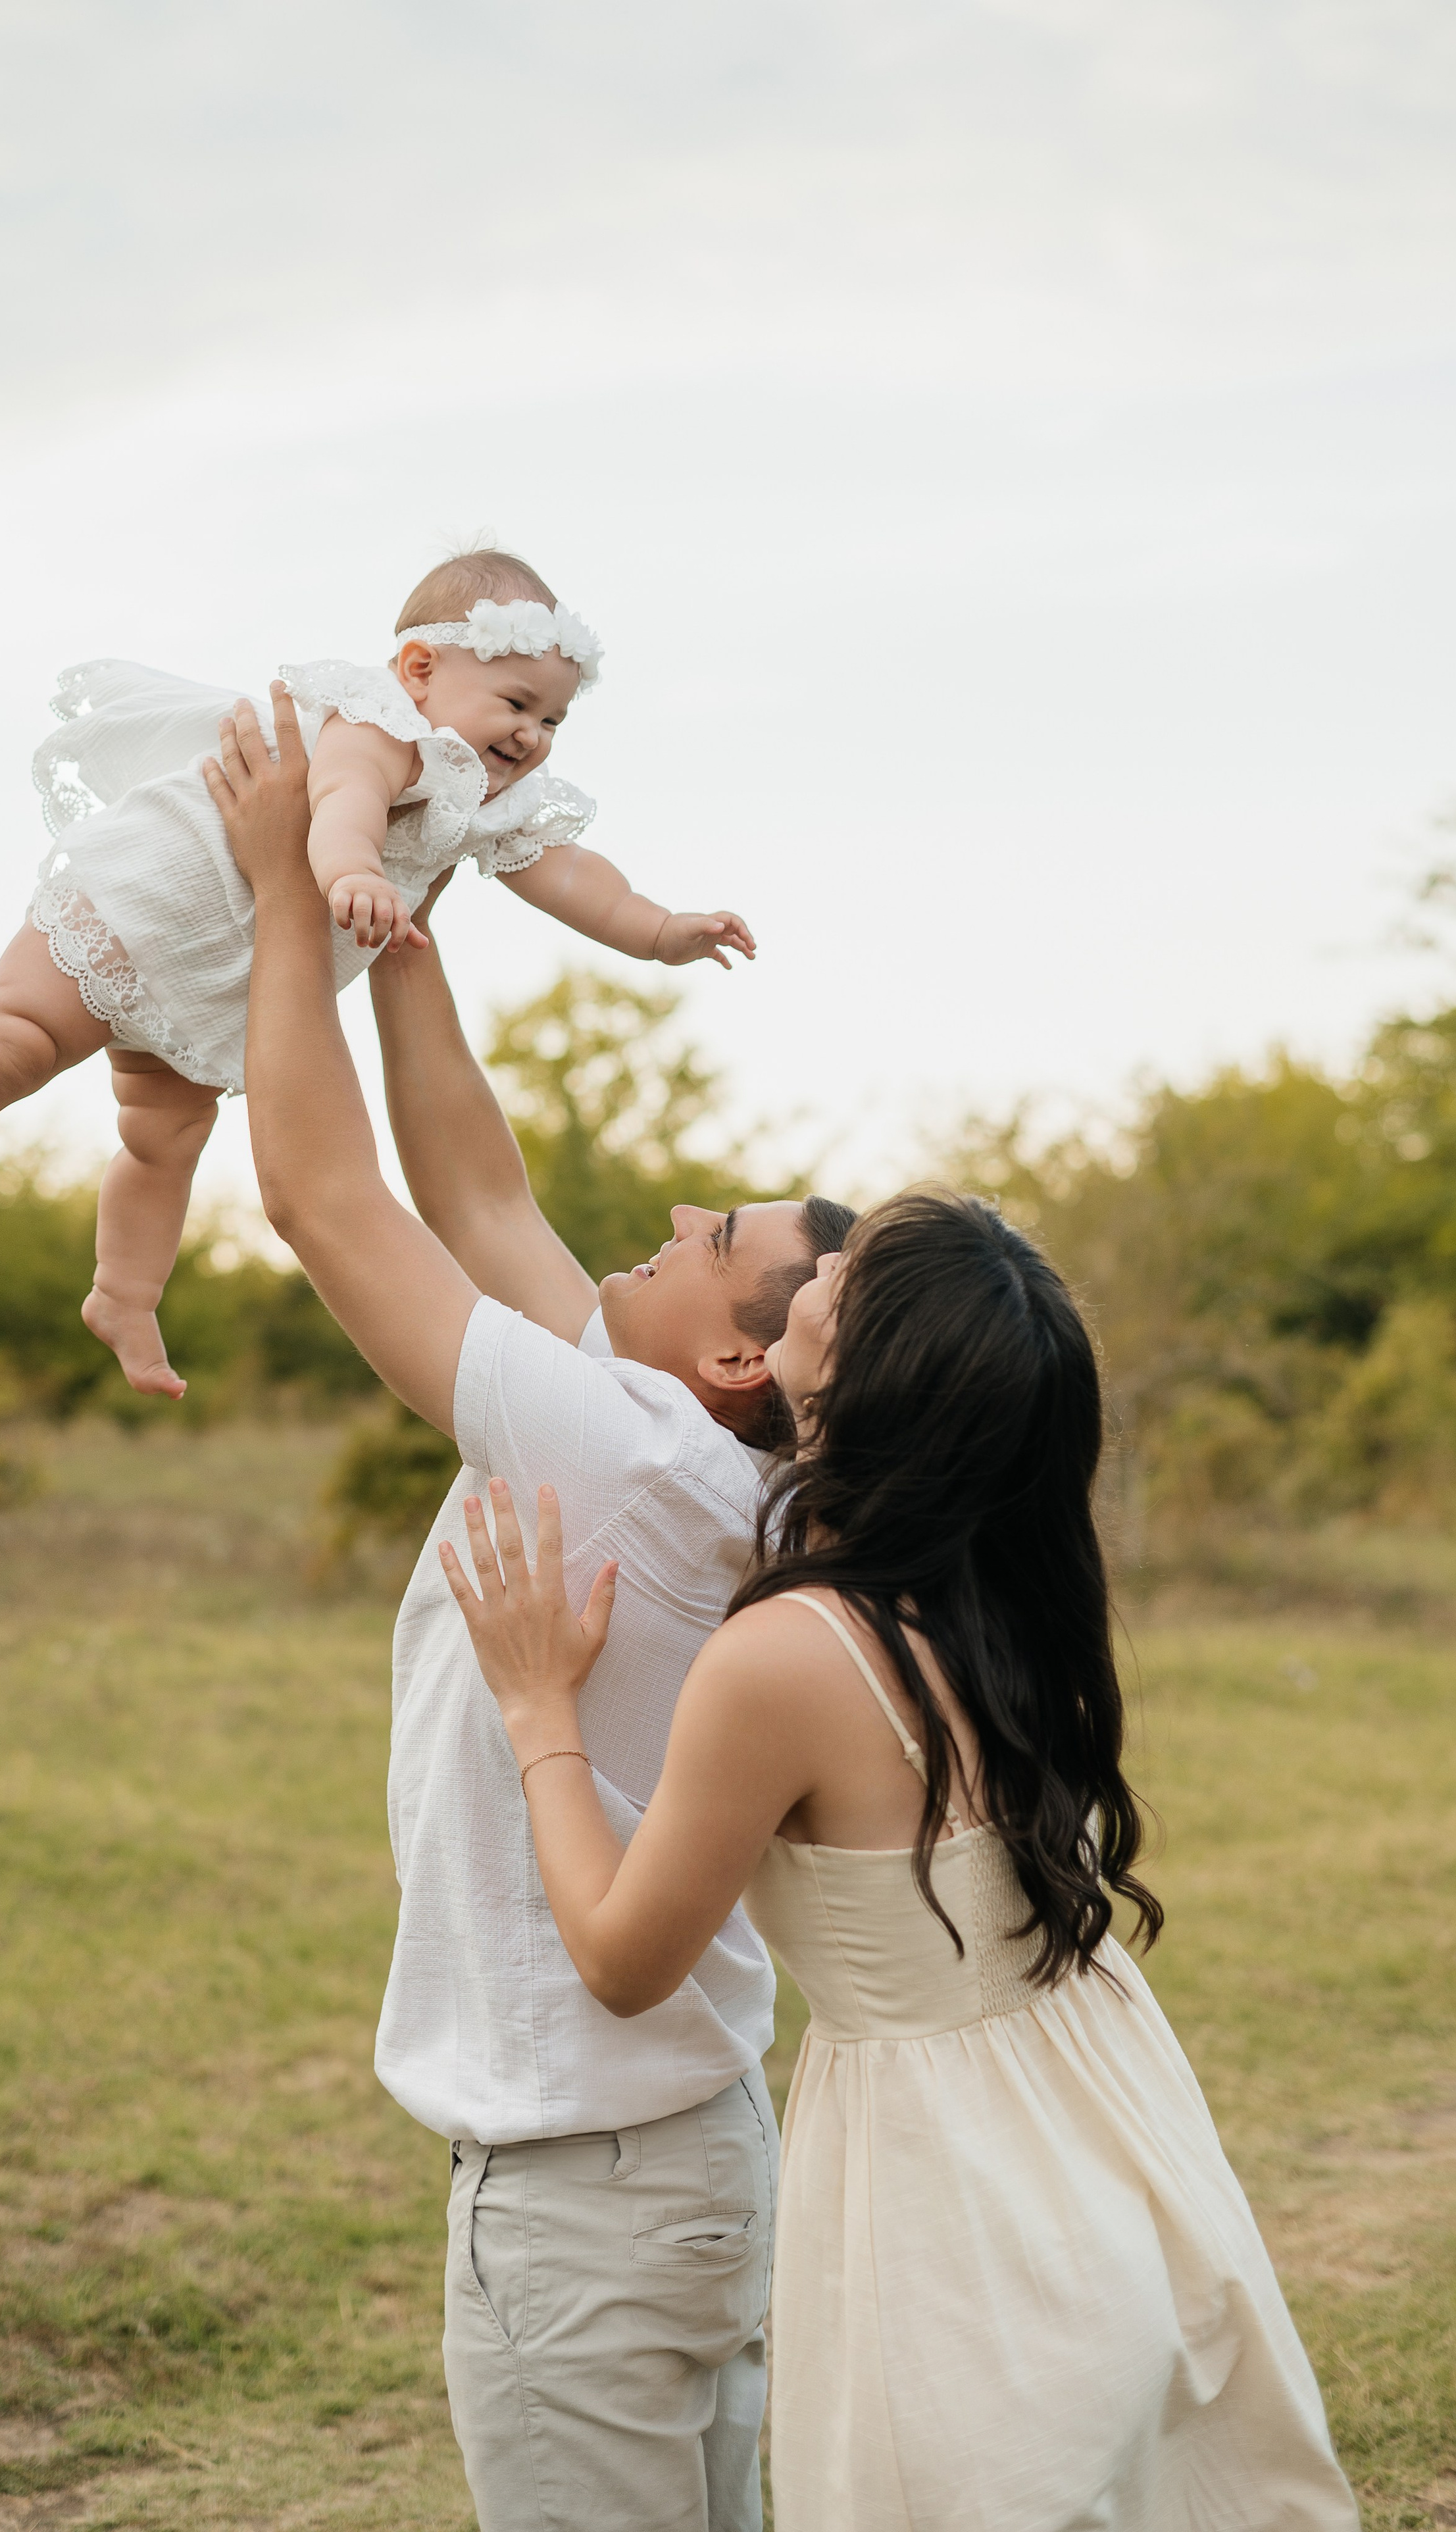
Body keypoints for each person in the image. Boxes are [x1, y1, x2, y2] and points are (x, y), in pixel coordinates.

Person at [441, 1189, 1362, 2532]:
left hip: (950, 2185)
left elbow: (621, 1958)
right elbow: (487, 1201)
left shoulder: (784, 1655)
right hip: (1094, 2116)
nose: (815, 1273)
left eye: (843, 1278)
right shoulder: (1006, 1598)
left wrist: (537, 1714)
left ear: (861, 1373)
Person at [203, 685, 853, 2532]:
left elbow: (330, 1202)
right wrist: (406, 904)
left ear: (739, 1349)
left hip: (581, 2183)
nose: (668, 1208)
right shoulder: (690, 1452)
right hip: (693, 2151)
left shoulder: (625, 1453)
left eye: (710, 1234)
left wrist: (274, 886)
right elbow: (470, 1177)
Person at [0, 546, 751, 1398]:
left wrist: (659, 929)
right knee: (9, 1043)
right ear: (421, 671)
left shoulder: (491, 800)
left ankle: (124, 1295)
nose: (534, 736)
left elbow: (573, 876)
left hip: (228, 983)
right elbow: (344, 800)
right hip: (143, 913)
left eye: (553, 718)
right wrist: (351, 872)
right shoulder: (377, 723)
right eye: (515, 704)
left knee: (164, 1140)